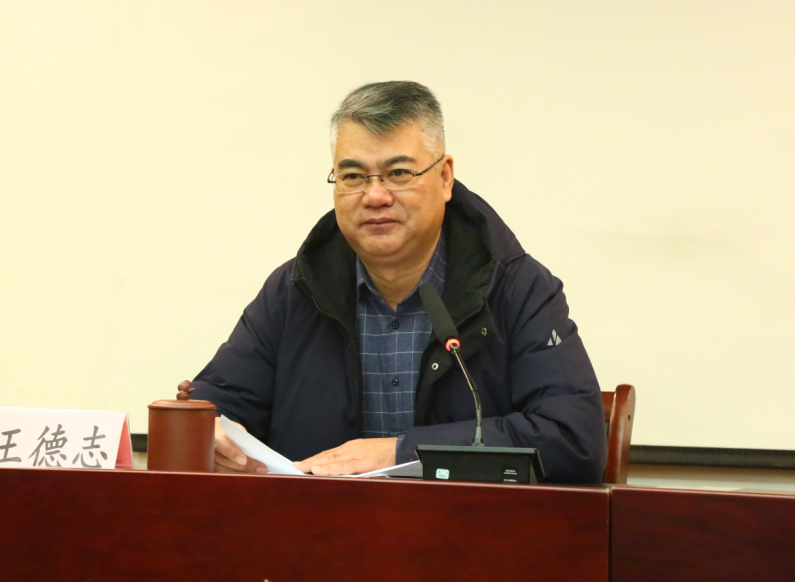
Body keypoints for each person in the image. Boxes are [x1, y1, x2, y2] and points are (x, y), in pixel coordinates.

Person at [180, 81, 606, 482]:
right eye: (353, 176)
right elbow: (212, 404)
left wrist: (402, 452)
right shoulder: (296, 289)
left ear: (444, 177)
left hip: (468, 528)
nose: (375, 196)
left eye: (399, 173)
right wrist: (208, 429)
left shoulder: (516, 287)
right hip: (318, 526)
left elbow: (573, 440)